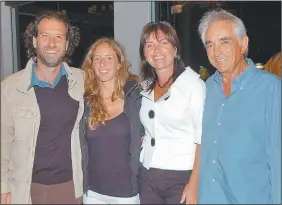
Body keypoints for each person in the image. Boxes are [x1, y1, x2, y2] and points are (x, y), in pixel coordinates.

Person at [197, 9, 281, 204]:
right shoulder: (207, 87)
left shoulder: (271, 89)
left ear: (243, 44)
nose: (217, 51)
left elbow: (278, 161)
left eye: (224, 41)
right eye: (210, 44)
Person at [1, 11, 84, 204]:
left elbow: (113, 86)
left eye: (59, 37)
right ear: (35, 41)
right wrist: (3, 186)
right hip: (27, 190)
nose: (52, 43)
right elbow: (3, 142)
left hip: (71, 188)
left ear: (67, 43)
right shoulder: (10, 88)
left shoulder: (82, 81)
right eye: (45, 36)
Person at [138, 21, 206, 204]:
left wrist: (194, 183)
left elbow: (203, 138)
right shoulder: (145, 88)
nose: (156, 50)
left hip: (181, 176)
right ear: (144, 53)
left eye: (164, 43)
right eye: (149, 45)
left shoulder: (193, 85)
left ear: (175, 50)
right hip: (147, 175)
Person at [80, 38, 144, 204]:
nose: (103, 64)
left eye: (109, 58)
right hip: (92, 193)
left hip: (127, 194)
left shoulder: (136, 99)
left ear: (119, 64)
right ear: (91, 65)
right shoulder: (85, 101)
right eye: (97, 59)